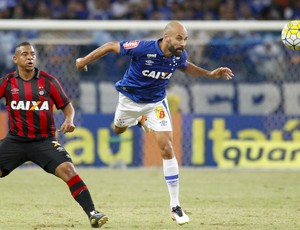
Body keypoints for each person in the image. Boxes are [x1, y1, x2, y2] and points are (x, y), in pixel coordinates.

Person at [76, 21, 234, 225]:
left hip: (156, 103)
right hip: (129, 100)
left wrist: (210, 74)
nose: (183, 43)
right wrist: (83, 60)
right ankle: (139, 120)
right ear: (166, 37)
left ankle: (175, 206)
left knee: (167, 148)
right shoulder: (143, 48)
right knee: (118, 129)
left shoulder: (179, 55)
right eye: (179, 38)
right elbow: (110, 46)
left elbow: (186, 67)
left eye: (185, 39)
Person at [0, 41, 108, 228]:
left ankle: (93, 213)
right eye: (25, 54)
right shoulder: (7, 82)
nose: (30, 57)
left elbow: (67, 106)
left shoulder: (48, 81)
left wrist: (69, 120)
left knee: (69, 170)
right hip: (15, 141)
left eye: (32, 54)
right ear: (15, 59)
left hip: (44, 142)